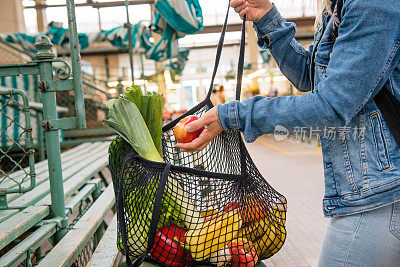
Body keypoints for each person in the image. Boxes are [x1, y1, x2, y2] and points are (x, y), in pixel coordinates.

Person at [176, 0, 400, 266]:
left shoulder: (372, 3)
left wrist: (234, 115)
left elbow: (331, 104)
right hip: (369, 190)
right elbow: (311, 75)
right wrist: (267, 18)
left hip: (381, 194)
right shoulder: (339, 6)